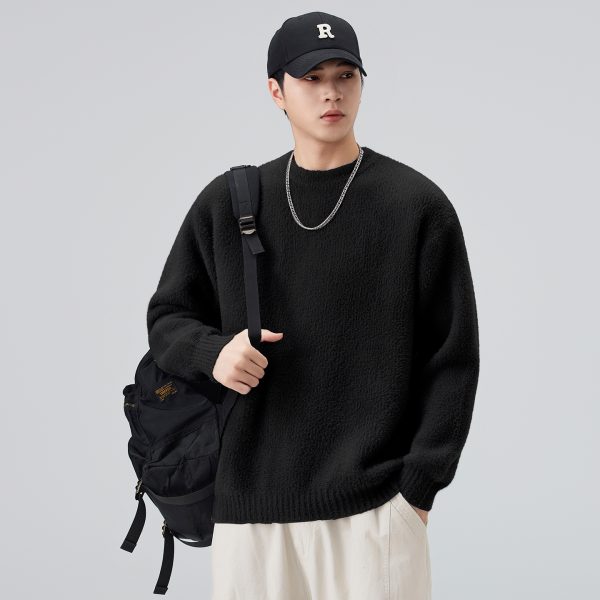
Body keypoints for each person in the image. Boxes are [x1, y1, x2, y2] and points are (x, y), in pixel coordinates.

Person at [146, 10, 480, 600]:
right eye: (311, 78)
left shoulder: (415, 206)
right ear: (276, 91)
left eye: (345, 75)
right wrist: (211, 352)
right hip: (250, 512)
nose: (332, 93)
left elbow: (452, 358)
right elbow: (167, 318)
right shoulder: (228, 203)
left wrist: (418, 492)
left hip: (376, 510)